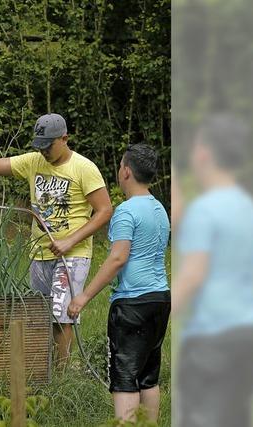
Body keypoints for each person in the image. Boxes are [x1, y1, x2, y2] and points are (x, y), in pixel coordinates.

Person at [0, 113, 113, 367]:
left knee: (61, 317)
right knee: (40, 315)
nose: (43, 152)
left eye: (48, 146)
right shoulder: (34, 162)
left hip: (72, 256)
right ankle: (44, 371)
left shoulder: (84, 168)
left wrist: (69, 241)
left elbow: (105, 210)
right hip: (40, 253)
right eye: (39, 146)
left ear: (64, 139)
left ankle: (61, 376)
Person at [172, 114, 253, 427]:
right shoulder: (249, 208)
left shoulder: (206, 209)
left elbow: (194, 274)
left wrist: (161, 314)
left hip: (212, 339)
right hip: (249, 335)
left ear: (204, 153)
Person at [67, 144, 170, 423]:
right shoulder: (159, 208)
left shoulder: (125, 211)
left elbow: (117, 259)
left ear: (125, 171)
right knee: (149, 374)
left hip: (132, 304)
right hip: (160, 299)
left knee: (125, 376)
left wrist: (82, 297)